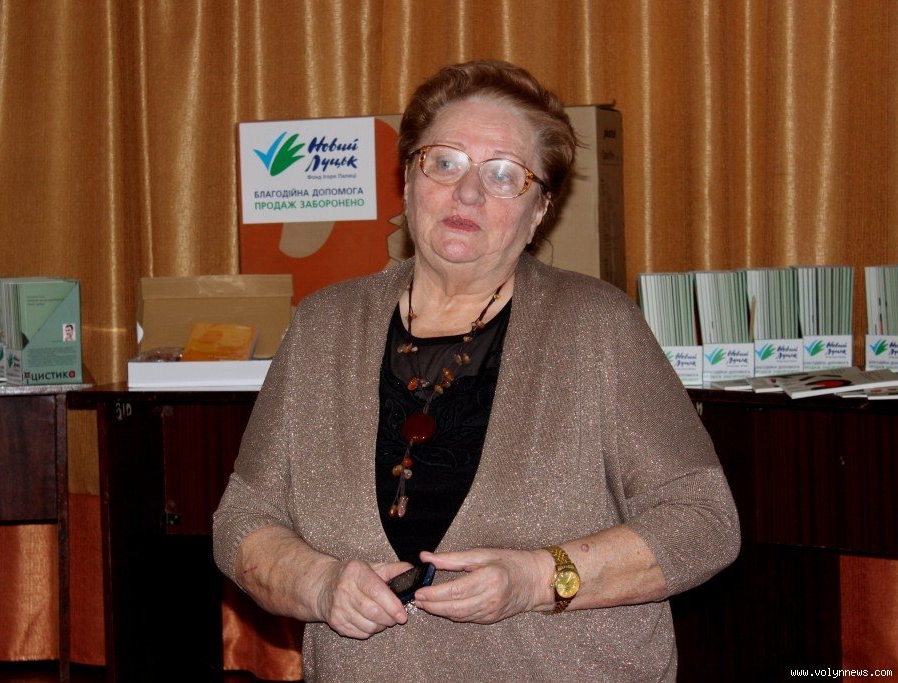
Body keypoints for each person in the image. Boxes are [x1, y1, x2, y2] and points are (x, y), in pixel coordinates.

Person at [213, 59, 740, 681]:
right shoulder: (322, 327)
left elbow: (705, 522)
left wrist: (538, 578)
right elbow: (242, 522)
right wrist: (319, 584)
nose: (468, 193)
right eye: (445, 162)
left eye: (504, 174)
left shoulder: (597, 326)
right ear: (407, 180)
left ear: (539, 209)